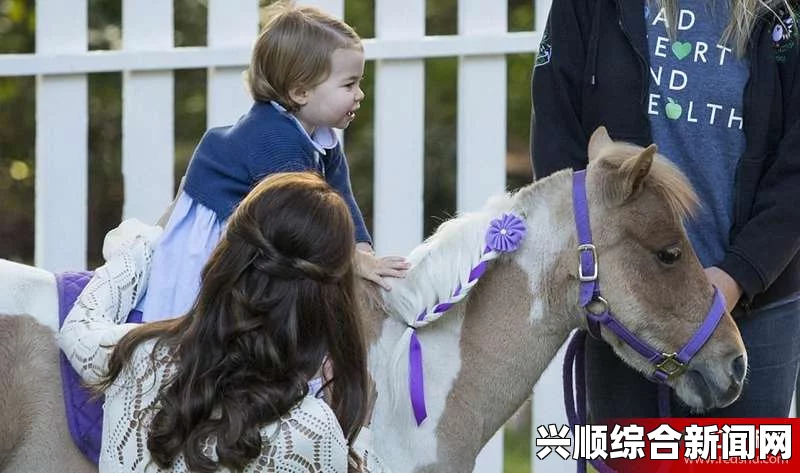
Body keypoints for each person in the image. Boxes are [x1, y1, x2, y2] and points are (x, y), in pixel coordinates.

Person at [531, 0, 800, 425]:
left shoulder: (786, 12)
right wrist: (607, 277)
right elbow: (557, 136)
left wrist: (738, 276)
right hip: (630, 307)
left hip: (757, 304)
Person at [59, 172, 387, 472]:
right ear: (329, 302)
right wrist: (362, 435)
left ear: (225, 260)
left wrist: (153, 247)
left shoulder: (139, 355)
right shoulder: (311, 429)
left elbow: (78, 327)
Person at [139, 1, 408, 323]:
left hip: (268, 229)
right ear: (300, 92)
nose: (360, 93)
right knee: (222, 312)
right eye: (349, 84)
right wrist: (352, 262)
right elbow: (299, 222)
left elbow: (341, 198)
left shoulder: (321, 137)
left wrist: (363, 254)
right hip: (224, 236)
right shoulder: (273, 136)